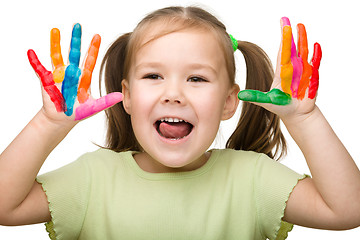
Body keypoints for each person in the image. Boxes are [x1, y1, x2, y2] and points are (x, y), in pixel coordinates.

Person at [0, 5, 359, 240]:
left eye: (197, 79)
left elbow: (346, 211)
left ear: (228, 102)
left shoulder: (252, 178)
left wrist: (305, 117)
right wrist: (48, 123)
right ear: (126, 95)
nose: (174, 94)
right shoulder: (92, 178)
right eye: (153, 76)